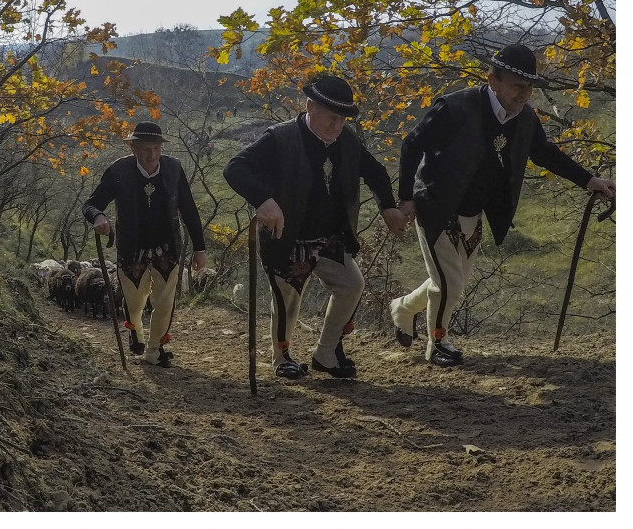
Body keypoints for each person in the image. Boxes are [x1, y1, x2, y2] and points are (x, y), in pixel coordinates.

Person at [391, 44, 616, 367]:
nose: (524, 94)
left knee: (449, 283)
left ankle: (403, 308)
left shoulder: (524, 118)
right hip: (436, 204)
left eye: (529, 87)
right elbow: (412, 144)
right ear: (493, 80)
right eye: (517, 85)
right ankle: (437, 343)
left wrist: (588, 180)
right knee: (449, 284)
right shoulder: (454, 107)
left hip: (475, 210)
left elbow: (544, 153)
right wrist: (406, 198)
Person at [224, 74, 409, 380]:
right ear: (310, 106)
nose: (337, 126)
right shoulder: (280, 138)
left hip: (329, 235)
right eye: (332, 118)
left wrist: (388, 206)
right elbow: (235, 167)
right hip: (287, 235)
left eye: (342, 120)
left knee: (351, 284)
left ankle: (326, 353)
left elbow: (375, 172)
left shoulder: (347, 141)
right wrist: (264, 201)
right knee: (286, 301)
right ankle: (281, 358)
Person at [83, 121, 208, 368]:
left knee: (164, 302)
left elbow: (189, 210)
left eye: (155, 148)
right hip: (131, 246)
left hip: (168, 245)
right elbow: (91, 203)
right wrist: (98, 216)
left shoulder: (174, 169)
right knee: (134, 300)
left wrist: (200, 247)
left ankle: (155, 349)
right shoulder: (118, 171)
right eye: (144, 149)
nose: (151, 155)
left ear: (161, 148)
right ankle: (135, 330)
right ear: (133, 149)